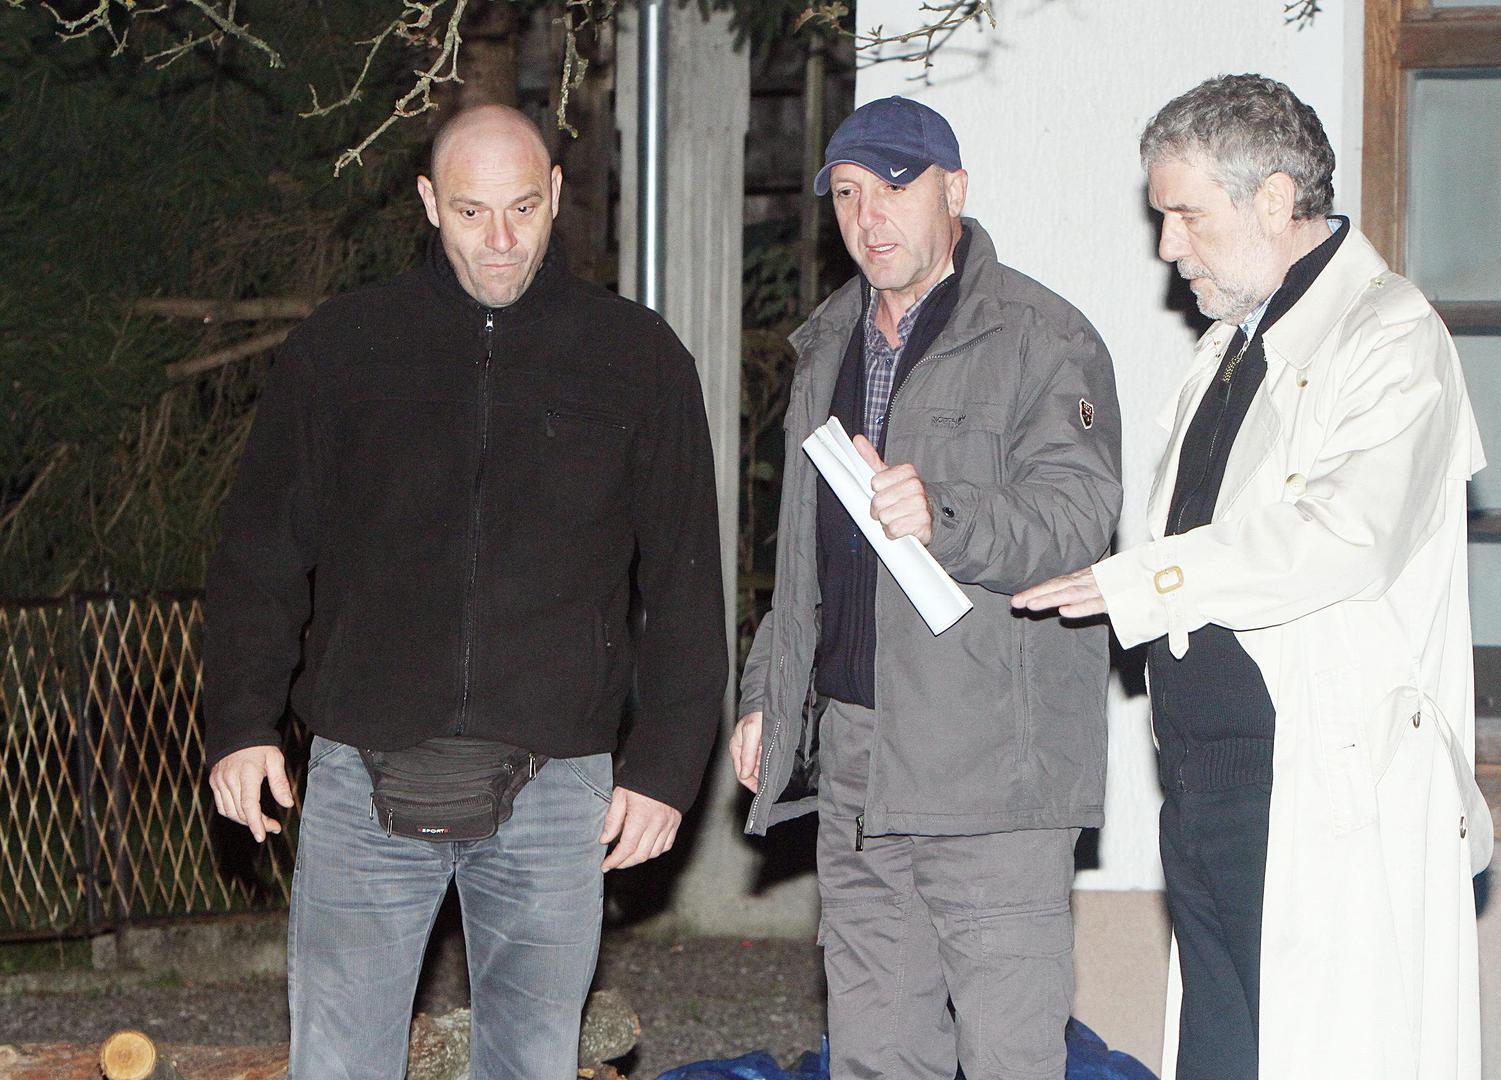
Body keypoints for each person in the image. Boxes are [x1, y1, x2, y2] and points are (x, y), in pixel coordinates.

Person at [204, 104, 726, 1079]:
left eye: (523, 208)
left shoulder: (636, 358)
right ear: (428, 204)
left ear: (557, 195)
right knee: (337, 1065)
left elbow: (685, 579)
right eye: (471, 211)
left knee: (529, 1064)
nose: (500, 240)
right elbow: (259, 554)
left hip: (557, 785)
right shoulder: (343, 349)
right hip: (362, 771)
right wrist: (241, 721)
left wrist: (665, 765)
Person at [1014, 74, 1491, 1080]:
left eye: (1186, 215)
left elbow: (1344, 535)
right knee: (1222, 1059)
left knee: (1317, 1053)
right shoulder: (1233, 349)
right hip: (1205, 786)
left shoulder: (1390, 336)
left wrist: (1145, 580)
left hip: (1317, 788)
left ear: (1273, 200)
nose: (1166, 246)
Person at [729, 96, 1122, 1080]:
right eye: (847, 194)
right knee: (873, 1055)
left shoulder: (1041, 336)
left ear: (954, 190)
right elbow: (806, 561)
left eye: (895, 188)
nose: (869, 217)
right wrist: (768, 697)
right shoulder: (826, 344)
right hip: (857, 764)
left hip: (991, 772)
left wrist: (944, 515)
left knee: (1008, 1058)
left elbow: (1078, 518)